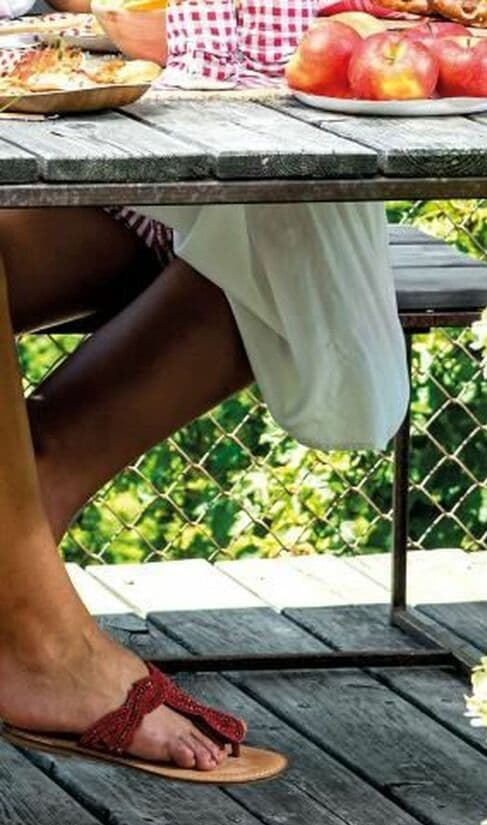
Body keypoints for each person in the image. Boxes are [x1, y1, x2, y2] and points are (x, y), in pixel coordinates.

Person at [0, 198, 406, 783]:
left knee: (280, 219)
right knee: (277, 229)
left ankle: (30, 511)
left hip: (149, 206)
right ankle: (40, 637)